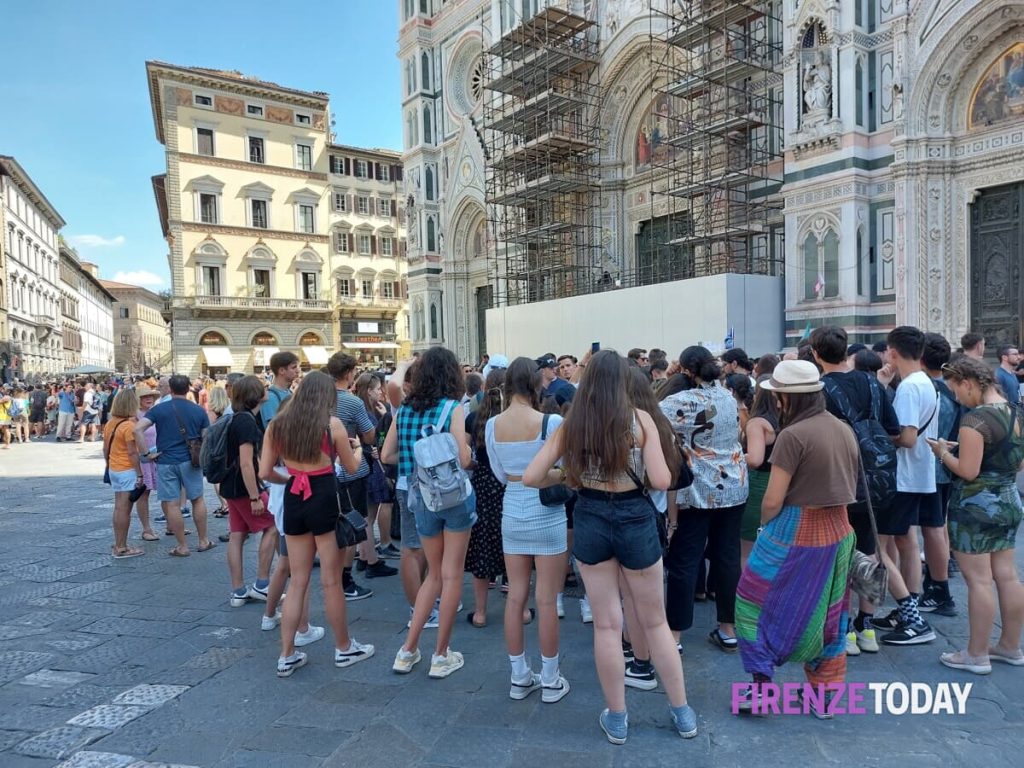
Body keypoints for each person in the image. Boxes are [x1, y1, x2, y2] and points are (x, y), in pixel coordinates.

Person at [524, 350, 697, 744]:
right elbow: (661, 478)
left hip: (591, 518)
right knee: (655, 623)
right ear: (623, 381)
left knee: (606, 624)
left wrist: (570, 475)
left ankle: (617, 718)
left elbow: (533, 476)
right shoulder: (642, 421)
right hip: (635, 518)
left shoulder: (573, 426)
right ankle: (682, 713)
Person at [735, 361, 859, 716]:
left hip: (794, 530)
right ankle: (824, 699)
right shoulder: (842, 428)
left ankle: (761, 692)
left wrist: (764, 529)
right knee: (830, 615)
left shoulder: (793, 436)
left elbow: (773, 499)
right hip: (839, 531)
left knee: (751, 604)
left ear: (784, 398)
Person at [258, 371, 373, 677]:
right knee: (331, 580)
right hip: (323, 495)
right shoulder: (331, 425)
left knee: (298, 579)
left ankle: (287, 654)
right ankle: (344, 647)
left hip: (295, 495)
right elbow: (352, 467)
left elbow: (264, 471)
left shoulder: (277, 425)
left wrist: (290, 478)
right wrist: (358, 447)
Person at [382, 346, 475, 679]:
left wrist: (415, 460)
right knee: (451, 576)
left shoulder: (404, 409)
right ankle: (441, 654)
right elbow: (463, 460)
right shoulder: (452, 407)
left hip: (419, 498)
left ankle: (407, 650)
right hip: (452, 499)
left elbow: (386, 454)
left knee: (432, 575)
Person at [930, 356, 1024, 675]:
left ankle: (977, 654)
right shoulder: (1016, 412)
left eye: (957, 390)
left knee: (979, 580)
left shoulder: (975, 420)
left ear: (968, 384)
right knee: (1008, 576)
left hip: (975, 507)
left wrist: (943, 452)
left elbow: (968, 471)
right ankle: (1010, 647)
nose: (957, 397)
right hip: (1009, 499)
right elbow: (1017, 463)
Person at [810, 325, 900, 654]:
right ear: (847, 350)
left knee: (840, 553)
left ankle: (844, 628)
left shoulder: (818, 390)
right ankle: (866, 627)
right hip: (879, 480)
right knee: (869, 549)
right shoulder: (873, 384)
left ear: (816, 354)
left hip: (840, 481)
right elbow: (893, 431)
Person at [487, 357, 570, 704]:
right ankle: (550, 677)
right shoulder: (551, 422)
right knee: (547, 597)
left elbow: (499, 473)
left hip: (513, 507)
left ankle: (519, 675)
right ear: (536, 384)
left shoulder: (492, 424)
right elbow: (564, 468)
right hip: (547, 510)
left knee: (516, 594)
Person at [660, 346, 748, 653]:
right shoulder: (727, 396)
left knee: (685, 561)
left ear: (684, 370)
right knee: (727, 559)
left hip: (699, 490)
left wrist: (668, 378)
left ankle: (675, 635)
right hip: (734, 486)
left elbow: (649, 415)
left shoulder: (679, 402)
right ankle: (728, 628)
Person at [872, 326, 940, 645]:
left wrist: (876, 436)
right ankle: (909, 606)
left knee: (878, 546)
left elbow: (908, 438)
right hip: (918, 475)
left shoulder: (910, 388)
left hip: (900, 476)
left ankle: (910, 618)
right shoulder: (926, 382)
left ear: (893, 352)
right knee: (906, 543)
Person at [327, 353, 397, 597]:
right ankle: (346, 580)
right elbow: (368, 437)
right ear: (349, 373)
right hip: (352, 465)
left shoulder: (321, 398)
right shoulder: (353, 402)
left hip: (327, 469)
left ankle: (363, 559)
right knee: (355, 521)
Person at [133, 374, 214, 557]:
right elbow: (207, 437)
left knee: (172, 504)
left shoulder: (159, 409)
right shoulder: (198, 410)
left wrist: (146, 454)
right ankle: (203, 541)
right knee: (197, 499)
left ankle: (182, 546)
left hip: (166, 460)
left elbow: (137, 429)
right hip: (190, 461)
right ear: (188, 389)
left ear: (170, 388)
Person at [222, 375, 279, 609]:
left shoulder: (237, 418)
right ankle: (262, 584)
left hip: (231, 485)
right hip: (244, 487)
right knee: (273, 524)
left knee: (237, 535)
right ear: (255, 394)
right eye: (263, 387)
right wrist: (255, 496)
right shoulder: (246, 422)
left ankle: (238, 591)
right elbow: (247, 463)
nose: (267, 389)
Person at [464, 368, 509, 628]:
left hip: (483, 485)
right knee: (514, 546)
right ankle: (522, 609)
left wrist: (476, 466)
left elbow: (464, 456)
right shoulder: (512, 420)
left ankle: (480, 613)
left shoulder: (474, 418)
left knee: (482, 546)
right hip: (509, 485)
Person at [920, 333, 961, 616]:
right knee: (937, 525)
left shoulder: (927, 390)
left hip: (931, 468)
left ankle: (939, 590)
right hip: (947, 467)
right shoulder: (954, 390)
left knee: (932, 528)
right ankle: (936, 581)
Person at [355, 372, 397, 558]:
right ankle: (368, 555)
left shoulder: (372, 409)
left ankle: (366, 554)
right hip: (372, 464)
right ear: (368, 391)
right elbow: (371, 438)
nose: (381, 391)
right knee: (370, 514)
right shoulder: (364, 411)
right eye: (378, 389)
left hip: (373, 462)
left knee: (370, 514)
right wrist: (385, 417)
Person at [739, 376, 778, 570]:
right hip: (781, 481)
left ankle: (746, 596)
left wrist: (734, 457)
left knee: (748, 547)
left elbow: (755, 459)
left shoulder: (758, 423)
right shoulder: (785, 418)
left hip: (758, 485)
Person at [104, 388, 146, 559]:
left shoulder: (110, 423)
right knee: (125, 510)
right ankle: (121, 547)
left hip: (114, 468)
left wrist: (109, 464)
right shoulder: (129, 426)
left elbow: (105, 448)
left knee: (118, 508)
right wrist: (140, 474)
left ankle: (119, 542)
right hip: (127, 469)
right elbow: (132, 453)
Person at [133, 384, 161, 543]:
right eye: (145, 397)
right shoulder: (135, 415)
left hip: (158, 456)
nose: (149, 399)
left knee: (166, 491)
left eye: (151, 396)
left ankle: (172, 524)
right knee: (144, 493)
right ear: (139, 400)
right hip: (144, 458)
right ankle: (146, 529)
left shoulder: (155, 413)